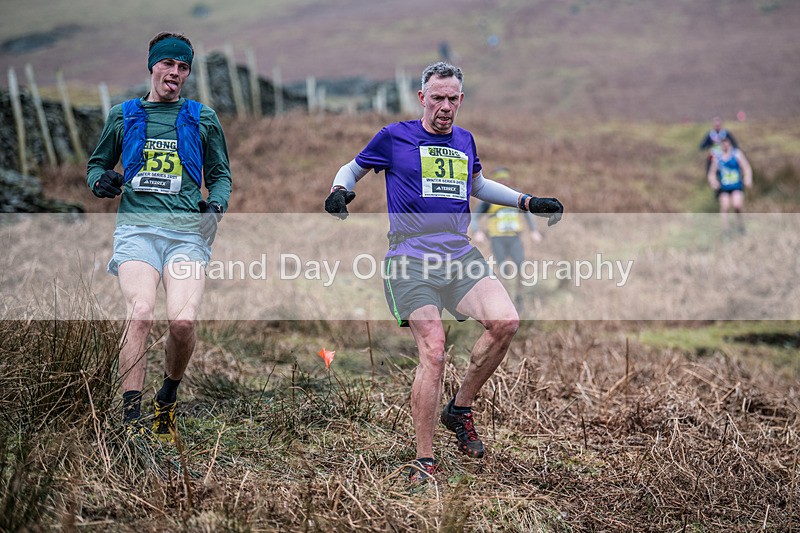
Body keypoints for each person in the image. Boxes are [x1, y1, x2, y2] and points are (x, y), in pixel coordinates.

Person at [324, 62, 563, 483]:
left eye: (453, 98)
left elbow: (478, 186)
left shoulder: (465, 140)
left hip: (459, 256)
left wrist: (528, 202)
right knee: (433, 351)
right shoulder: (394, 137)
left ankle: (460, 409)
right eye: (438, 97)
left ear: (461, 100)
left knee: (506, 320)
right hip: (410, 261)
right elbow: (351, 168)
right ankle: (425, 458)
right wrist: (339, 191)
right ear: (422, 98)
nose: (446, 106)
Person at [86, 32, 232, 441]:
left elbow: (220, 177)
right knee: (141, 312)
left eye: (183, 67)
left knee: (182, 322)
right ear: (152, 66)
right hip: (137, 232)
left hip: (187, 235)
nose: (176, 73)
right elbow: (96, 166)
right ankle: (132, 419)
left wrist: (215, 207)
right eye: (168, 64)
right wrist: (102, 182)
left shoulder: (202, 117)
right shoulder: (124, 114)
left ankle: (165, 400)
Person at [471, 167, 543, 310]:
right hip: (497, 238)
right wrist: (477, 231)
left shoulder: (514, 196)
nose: (502, 181)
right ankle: (505, 300)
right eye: (499, 179)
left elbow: (527, 213)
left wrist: (534, 231)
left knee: (520, 267)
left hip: (514, 238)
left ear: (509, 179)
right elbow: (475, 216)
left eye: (504, 179)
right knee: (502, 269)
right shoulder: (489, 198)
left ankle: (519, 296)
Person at [707, 136, 752, 236]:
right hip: (724, 188)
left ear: (729, 143)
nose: (724, 144)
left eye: (726, 142)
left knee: (737, 205)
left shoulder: (737, 154)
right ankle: (726, 231)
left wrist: (748, 178)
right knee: (725, 207)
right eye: (722, 143)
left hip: (736, 186)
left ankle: (741, 226)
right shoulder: (717, 157)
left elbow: (746, 167)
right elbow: (711, 173)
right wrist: (713, 182)